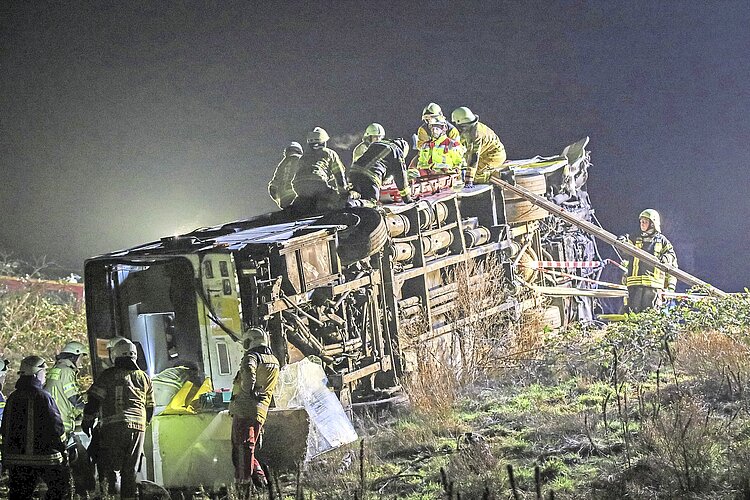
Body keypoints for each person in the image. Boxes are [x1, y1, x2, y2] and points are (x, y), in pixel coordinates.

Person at [82, 338, 154, 500]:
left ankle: (111, 496)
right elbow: (150, 407)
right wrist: (144, 424)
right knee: (130, 470)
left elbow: (94, 400)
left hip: (112, 427)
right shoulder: (144, 377)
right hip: (138, 428)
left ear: (115, 355)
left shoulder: (107, 376)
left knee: (110, 468)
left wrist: (87, 421)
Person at [1, 355, 72, 500]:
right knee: (60, 489)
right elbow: (56, 427)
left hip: (16, 460)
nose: (45, 376)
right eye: (43, 372)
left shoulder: (13, 398)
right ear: (36, 373)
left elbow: (5, 428)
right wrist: (63, 448)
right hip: (45, 458)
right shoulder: (44, 397)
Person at [229, 326, 280, 491]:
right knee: (249, 448)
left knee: (241, 449)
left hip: (245, 409)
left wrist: (247, 392)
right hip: (260, 412)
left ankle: (244, 486)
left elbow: (249, 376)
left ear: (250, 341)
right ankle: (261, 482)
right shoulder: (274, 361)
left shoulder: (251, 357)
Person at [45, 340, 96, 498]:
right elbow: (73, 397)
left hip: (54, 424)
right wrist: (88, 410)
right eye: (81, 357)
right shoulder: (67, 371)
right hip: (63, 426)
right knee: (80, 462)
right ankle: (82, 493)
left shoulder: (55, 370)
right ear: (74, 356)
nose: (82, 361)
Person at [621, 209, 678, 313]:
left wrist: (665, 258)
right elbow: (624, 249)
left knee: (650, 314)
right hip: (634, 285)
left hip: (653, 286)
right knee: (632, 313)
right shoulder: (635, 238)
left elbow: (672, 259)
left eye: (645, 222)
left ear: (653, 224)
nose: (642, 224)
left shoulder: (662, 241)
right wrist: (623, 240)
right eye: (641, 222)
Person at [290, 127, 348, 214]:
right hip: (317, 182)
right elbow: (339, 175)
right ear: (323, 142)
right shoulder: (329, 153)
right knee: (335, 199)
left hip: (298, 185)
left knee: (308, 201)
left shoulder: (304, 156)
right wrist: (343, 193)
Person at [450, 106, 508, 187]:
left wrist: (469, 180)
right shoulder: (471, 129)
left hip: (494, 155)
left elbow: (474, 157)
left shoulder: (476, 134)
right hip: (486, 154)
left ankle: (503, 176)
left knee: (476, 176)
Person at [347, 138, 412, 206]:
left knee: (356, 192)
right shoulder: (397, 151)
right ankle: (354, 204)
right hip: (370, 176)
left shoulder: (377, 144)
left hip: (354, 172)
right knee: (371, 201)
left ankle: (348, 200)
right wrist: (408, 199)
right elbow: (401, 178)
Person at [268, 142, 303, 209]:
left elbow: (272, 188)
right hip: (298, 198)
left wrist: (279, 200)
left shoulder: (281, 165)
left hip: (284, 200)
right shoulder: (302, 160)